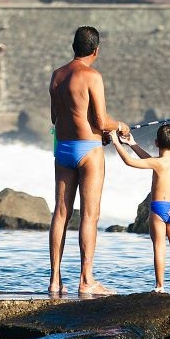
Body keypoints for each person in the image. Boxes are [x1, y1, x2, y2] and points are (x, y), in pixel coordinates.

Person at [48, 26, 128, 299]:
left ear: (74, 46)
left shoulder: (57, 76)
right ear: (96, 50)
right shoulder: (92, 76)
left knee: (61, 212)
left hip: (63, 148)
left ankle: (55, 280)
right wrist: (120, 126)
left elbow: (54, 118)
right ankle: (86, 280)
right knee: (90, 215)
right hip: (89, 150)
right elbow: (102, 121)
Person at [110, 124, 170, 297]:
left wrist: (116, 142)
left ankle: (160, 286)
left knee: (159, 247)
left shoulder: (157, 163)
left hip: (158, 209)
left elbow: (131, 162)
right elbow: (150, 161)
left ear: (156, 142)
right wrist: (132, 144)